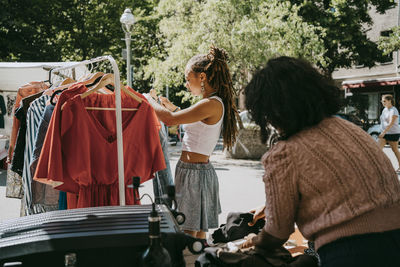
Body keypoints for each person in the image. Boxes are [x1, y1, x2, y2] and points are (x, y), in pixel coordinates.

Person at [241, 56, 400, 267]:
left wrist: (256, 241)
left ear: (271, 111)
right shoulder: (350, 129)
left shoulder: (284, 153)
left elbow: (278, 231)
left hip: (350, 252)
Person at [144, 45, 239, 239]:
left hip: (194, 174)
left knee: (188, 234)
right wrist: (174, 108)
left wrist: (147, 100)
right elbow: (192, 123)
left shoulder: (210, 104)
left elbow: (169, 120)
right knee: (198, 234)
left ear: (202, 77)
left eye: (188, 80)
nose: (187, 85)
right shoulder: (210, 103)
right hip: (194, 171)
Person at [378, 94, 400, 172]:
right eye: (382, 101)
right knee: (377, 149)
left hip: (393, 133)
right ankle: (379, 167)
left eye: (384, 101)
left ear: (390, 101)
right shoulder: (384, 110)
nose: (382, 102)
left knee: (395, 151)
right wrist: (382, 131)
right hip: (384, 133)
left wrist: (384, 132)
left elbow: (391, 123)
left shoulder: (394, 110)